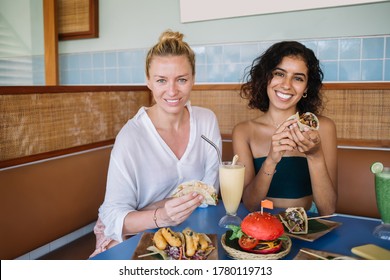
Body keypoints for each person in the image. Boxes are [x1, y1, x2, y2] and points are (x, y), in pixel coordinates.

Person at [89, 30, 221, 257]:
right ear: (148, 81)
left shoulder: (206, 120)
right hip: (130, 234)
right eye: (161, 80)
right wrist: (160, 215)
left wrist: (168, 208)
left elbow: (210, 193)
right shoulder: (131, 137)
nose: (172, 91)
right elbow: (113, 217)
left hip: (189, 228)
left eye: (181, 79)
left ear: (193, 79)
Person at [232, 41, 337, 216]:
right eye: (279, 74)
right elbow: (250, 205)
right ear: (266, 78)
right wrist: (271, 160)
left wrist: (315, 155)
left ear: (306, 87)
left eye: (298, 78)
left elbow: (328, 209)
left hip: (308, 227)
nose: (286, 85)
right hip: (262, 224)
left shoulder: (324, 128)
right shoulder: (244, 131)